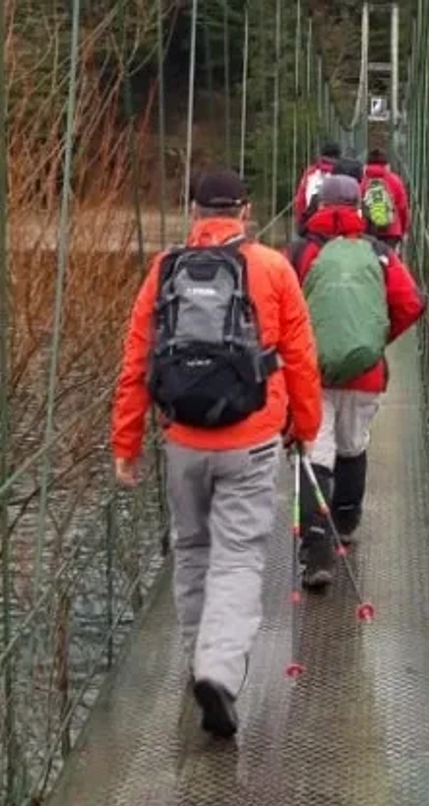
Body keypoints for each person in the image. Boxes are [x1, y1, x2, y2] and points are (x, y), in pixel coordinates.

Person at [112, 169, 322, 739]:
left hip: (182, 441)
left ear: (194, 212)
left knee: (192, 551)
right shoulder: (275, 269)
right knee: (237, 558)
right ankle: (219, 671)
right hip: (252, 440)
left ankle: (195, 662)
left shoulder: (164, 272)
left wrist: (125, 445)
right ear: (246, 212)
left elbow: (136, 365)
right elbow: (301, 361)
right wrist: (304, 427)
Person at [286, 175, 425, 590]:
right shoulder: (379, 252)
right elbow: (412, 303)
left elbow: (278, 310)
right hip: (365, 374)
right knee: (353, 447)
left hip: (311, 373)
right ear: (359, 208)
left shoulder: (299, 252)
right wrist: (375, 341)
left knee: (315, 454)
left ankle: (316, 552)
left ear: (318, 203)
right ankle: (345, 523)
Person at [361, 148, 410, 248]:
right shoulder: (395, 180)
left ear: (367, 164)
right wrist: (404, 230)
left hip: (368, 232)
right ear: (387, 165)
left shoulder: (362, 181)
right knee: (389, 261)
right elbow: (402, 207)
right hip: (391, 231)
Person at [292, 141, 342, 233]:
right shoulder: (343, 173)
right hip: (335, 226)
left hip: (312, 225)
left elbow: (300, 200)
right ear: (339, 156)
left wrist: (301, 224)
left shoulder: (310, 172)